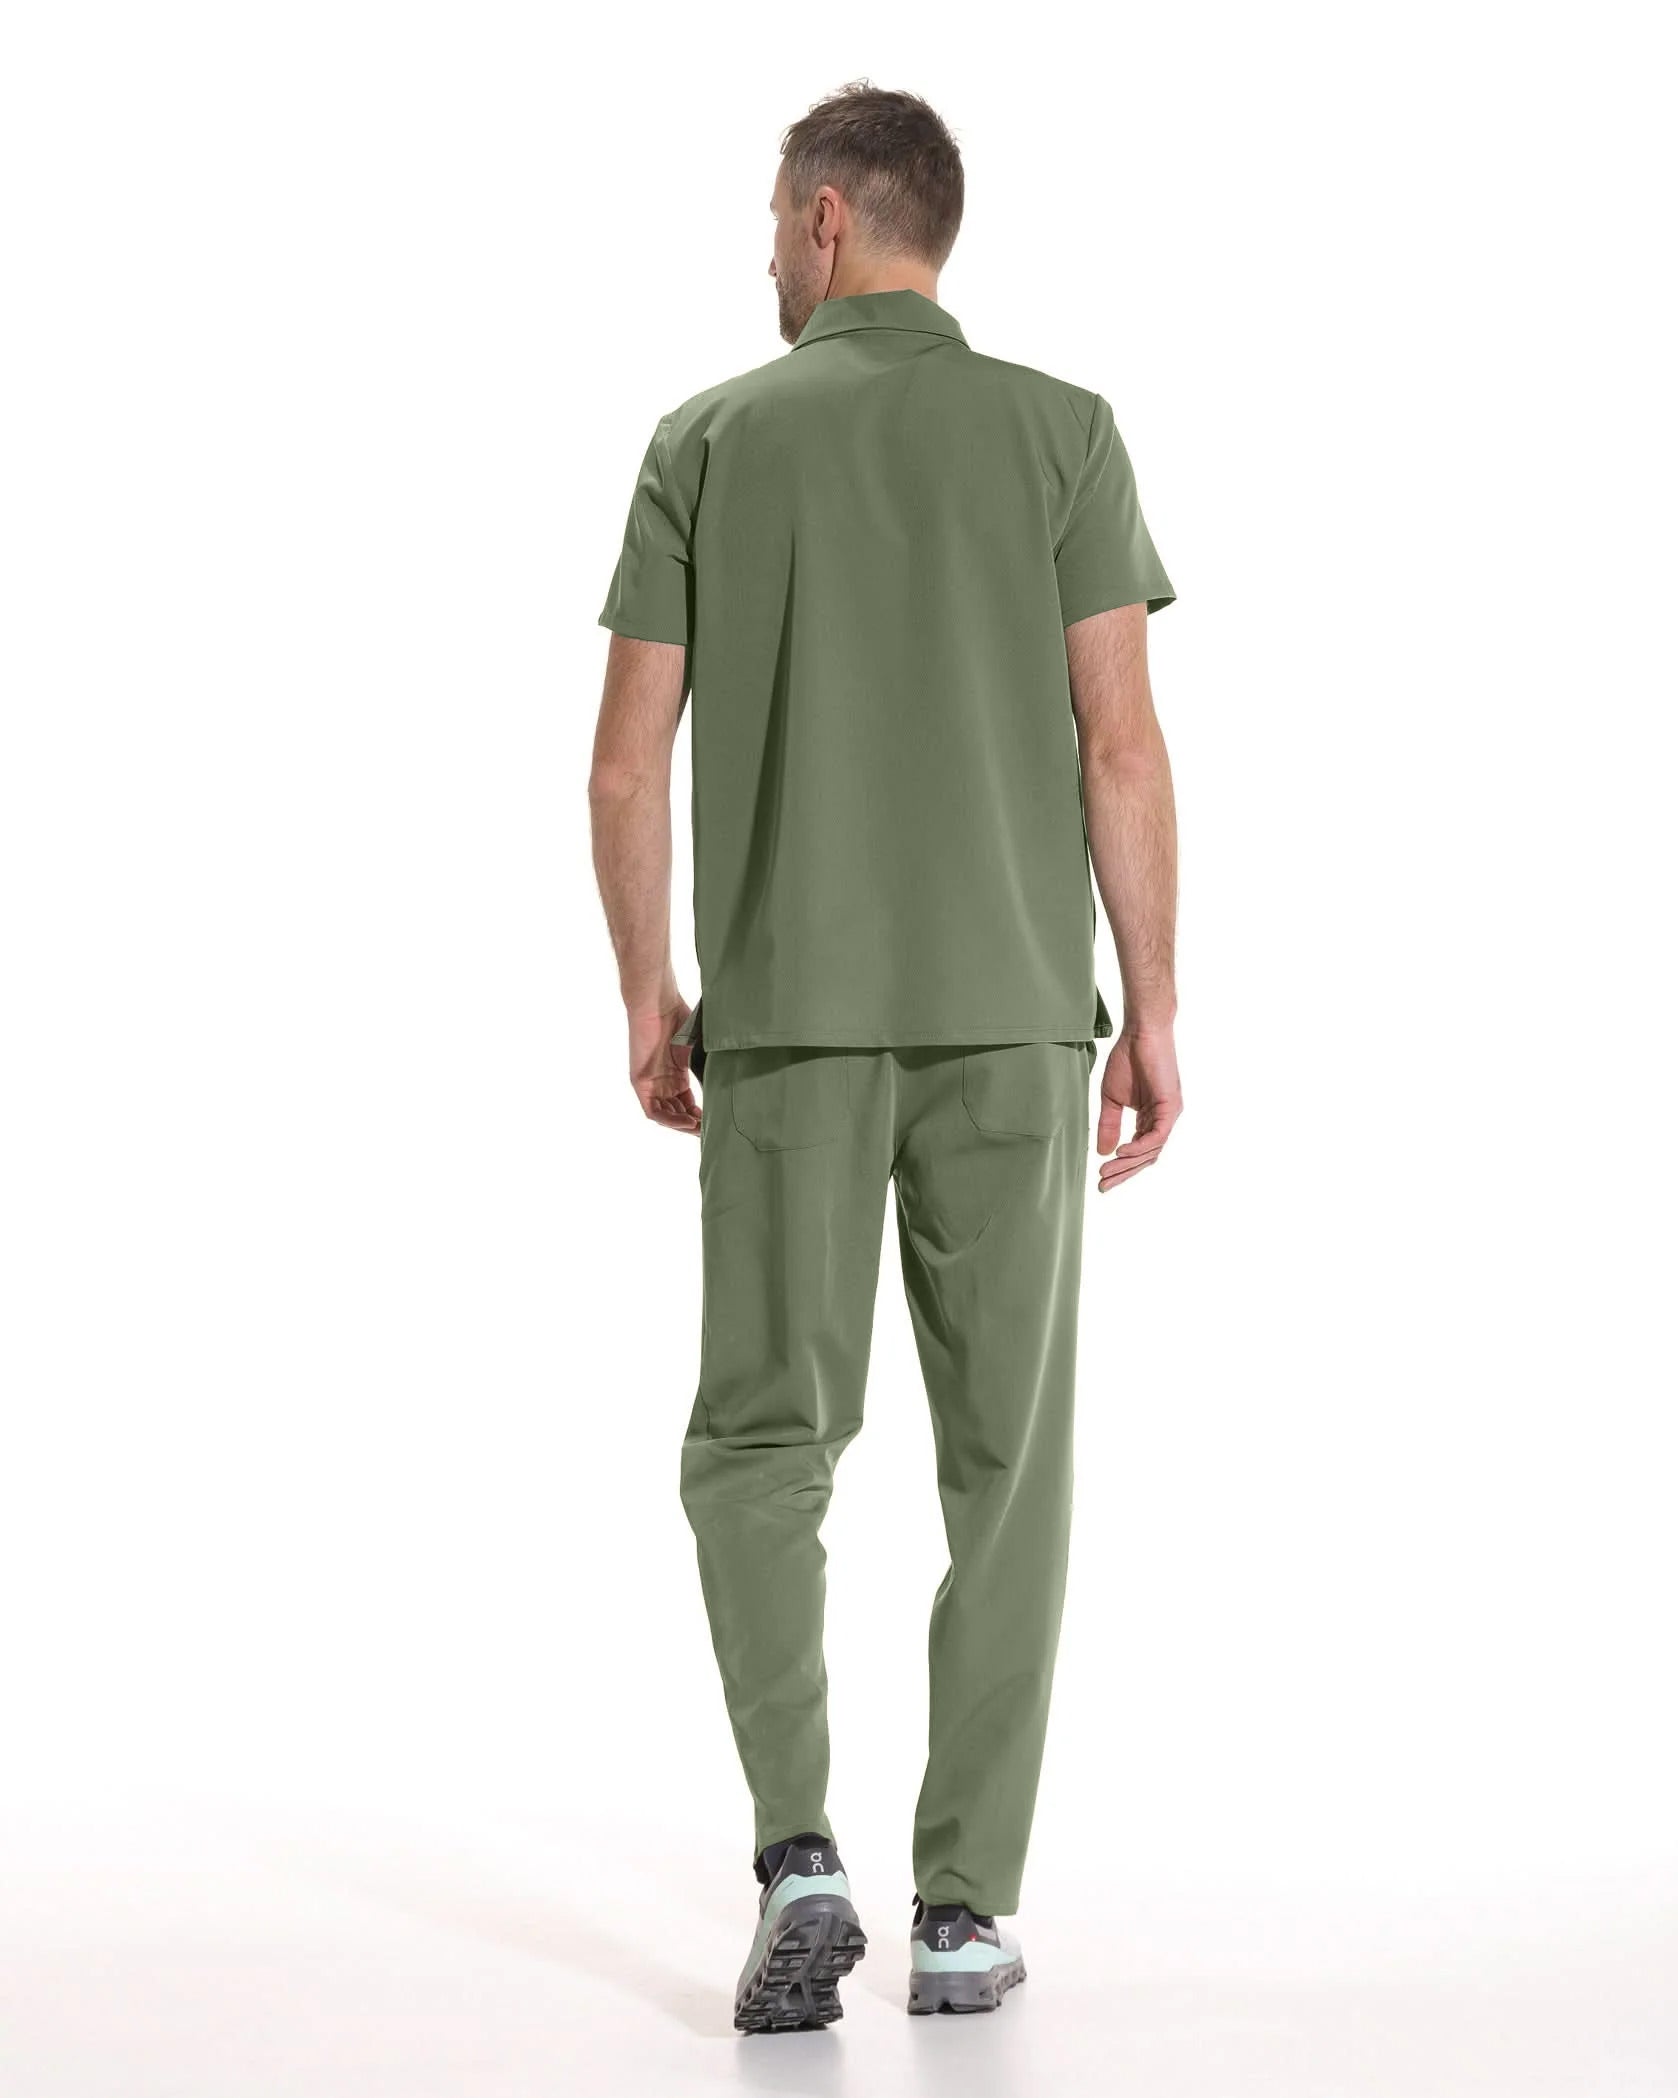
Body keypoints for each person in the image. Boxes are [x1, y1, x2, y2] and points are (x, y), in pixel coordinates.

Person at [589, 80, 1181, 2032]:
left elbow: (624, 763)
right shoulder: (1061, 434)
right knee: (1009, 1463)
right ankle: (960, 1908)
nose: (766, 251)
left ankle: (796, 1853)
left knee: (760, 1443)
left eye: (777, 219)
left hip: (787, 1029)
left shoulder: (706, 441)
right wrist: (1153, 1001)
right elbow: (1119, 742)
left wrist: (648, 993)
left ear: (831, 218)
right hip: (1012, 1018)